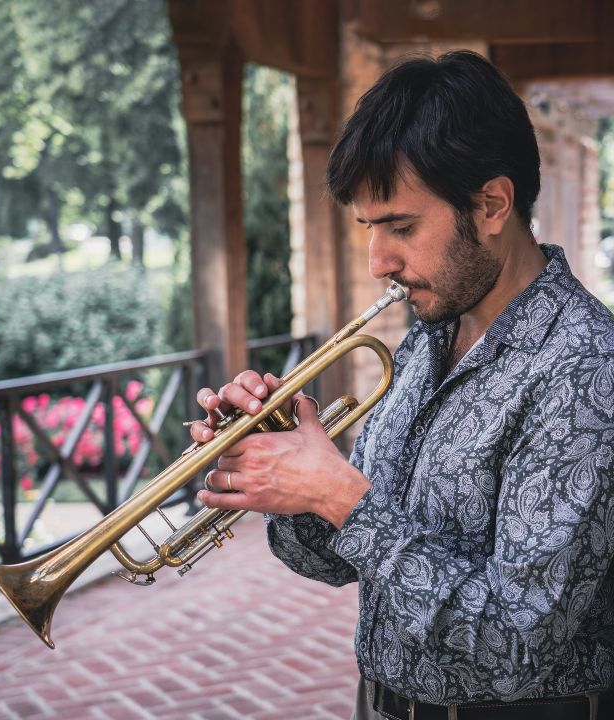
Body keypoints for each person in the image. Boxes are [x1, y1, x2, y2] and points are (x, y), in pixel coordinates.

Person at [189, 51, 614, 719]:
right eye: (368, 228)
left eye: (402, 227)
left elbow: (514, 640)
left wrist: (344, 497)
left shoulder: (586, 368)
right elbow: (339, 560)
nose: (379, 262)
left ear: (492, 204)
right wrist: (285, 475)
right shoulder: (427, 335)